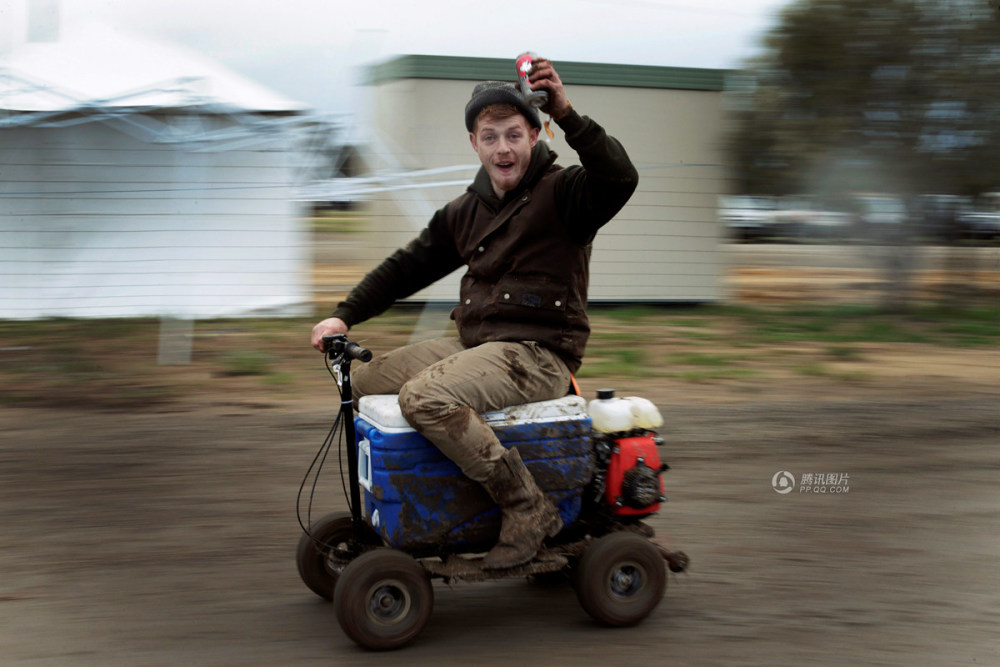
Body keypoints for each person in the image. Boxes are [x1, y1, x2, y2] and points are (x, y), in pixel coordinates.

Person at [311, 57, 638, 568]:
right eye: (490, 136)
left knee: (425, 398)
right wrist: (343, 316)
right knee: (362, 379)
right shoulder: (468, 209)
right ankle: (412, 504)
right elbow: (407, 266)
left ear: (535, 133)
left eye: (513, 134)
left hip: (538, 355)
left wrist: (570, 114)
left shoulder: (568, 193)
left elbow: (619, 177)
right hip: (480, 346)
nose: (502, 148)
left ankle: (527, 505)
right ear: (474, 143)